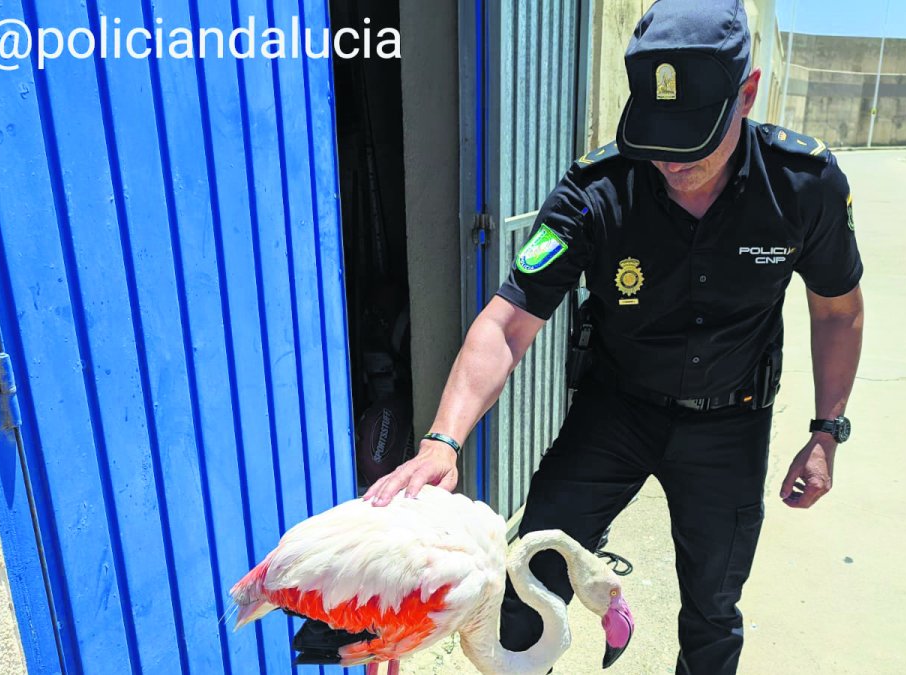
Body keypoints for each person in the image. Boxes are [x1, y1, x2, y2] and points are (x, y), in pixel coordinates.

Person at [364, 0, 864, 672]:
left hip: (730, 422)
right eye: (656, 137)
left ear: (748, 94)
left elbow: (837, 309)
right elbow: (509, 320)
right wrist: (442, 437)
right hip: (616, 410)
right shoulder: (598, 188)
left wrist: (827, 429)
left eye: (691, 139)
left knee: (714, 608)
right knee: (528, 570)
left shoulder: (803, 186)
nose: (668, 162)